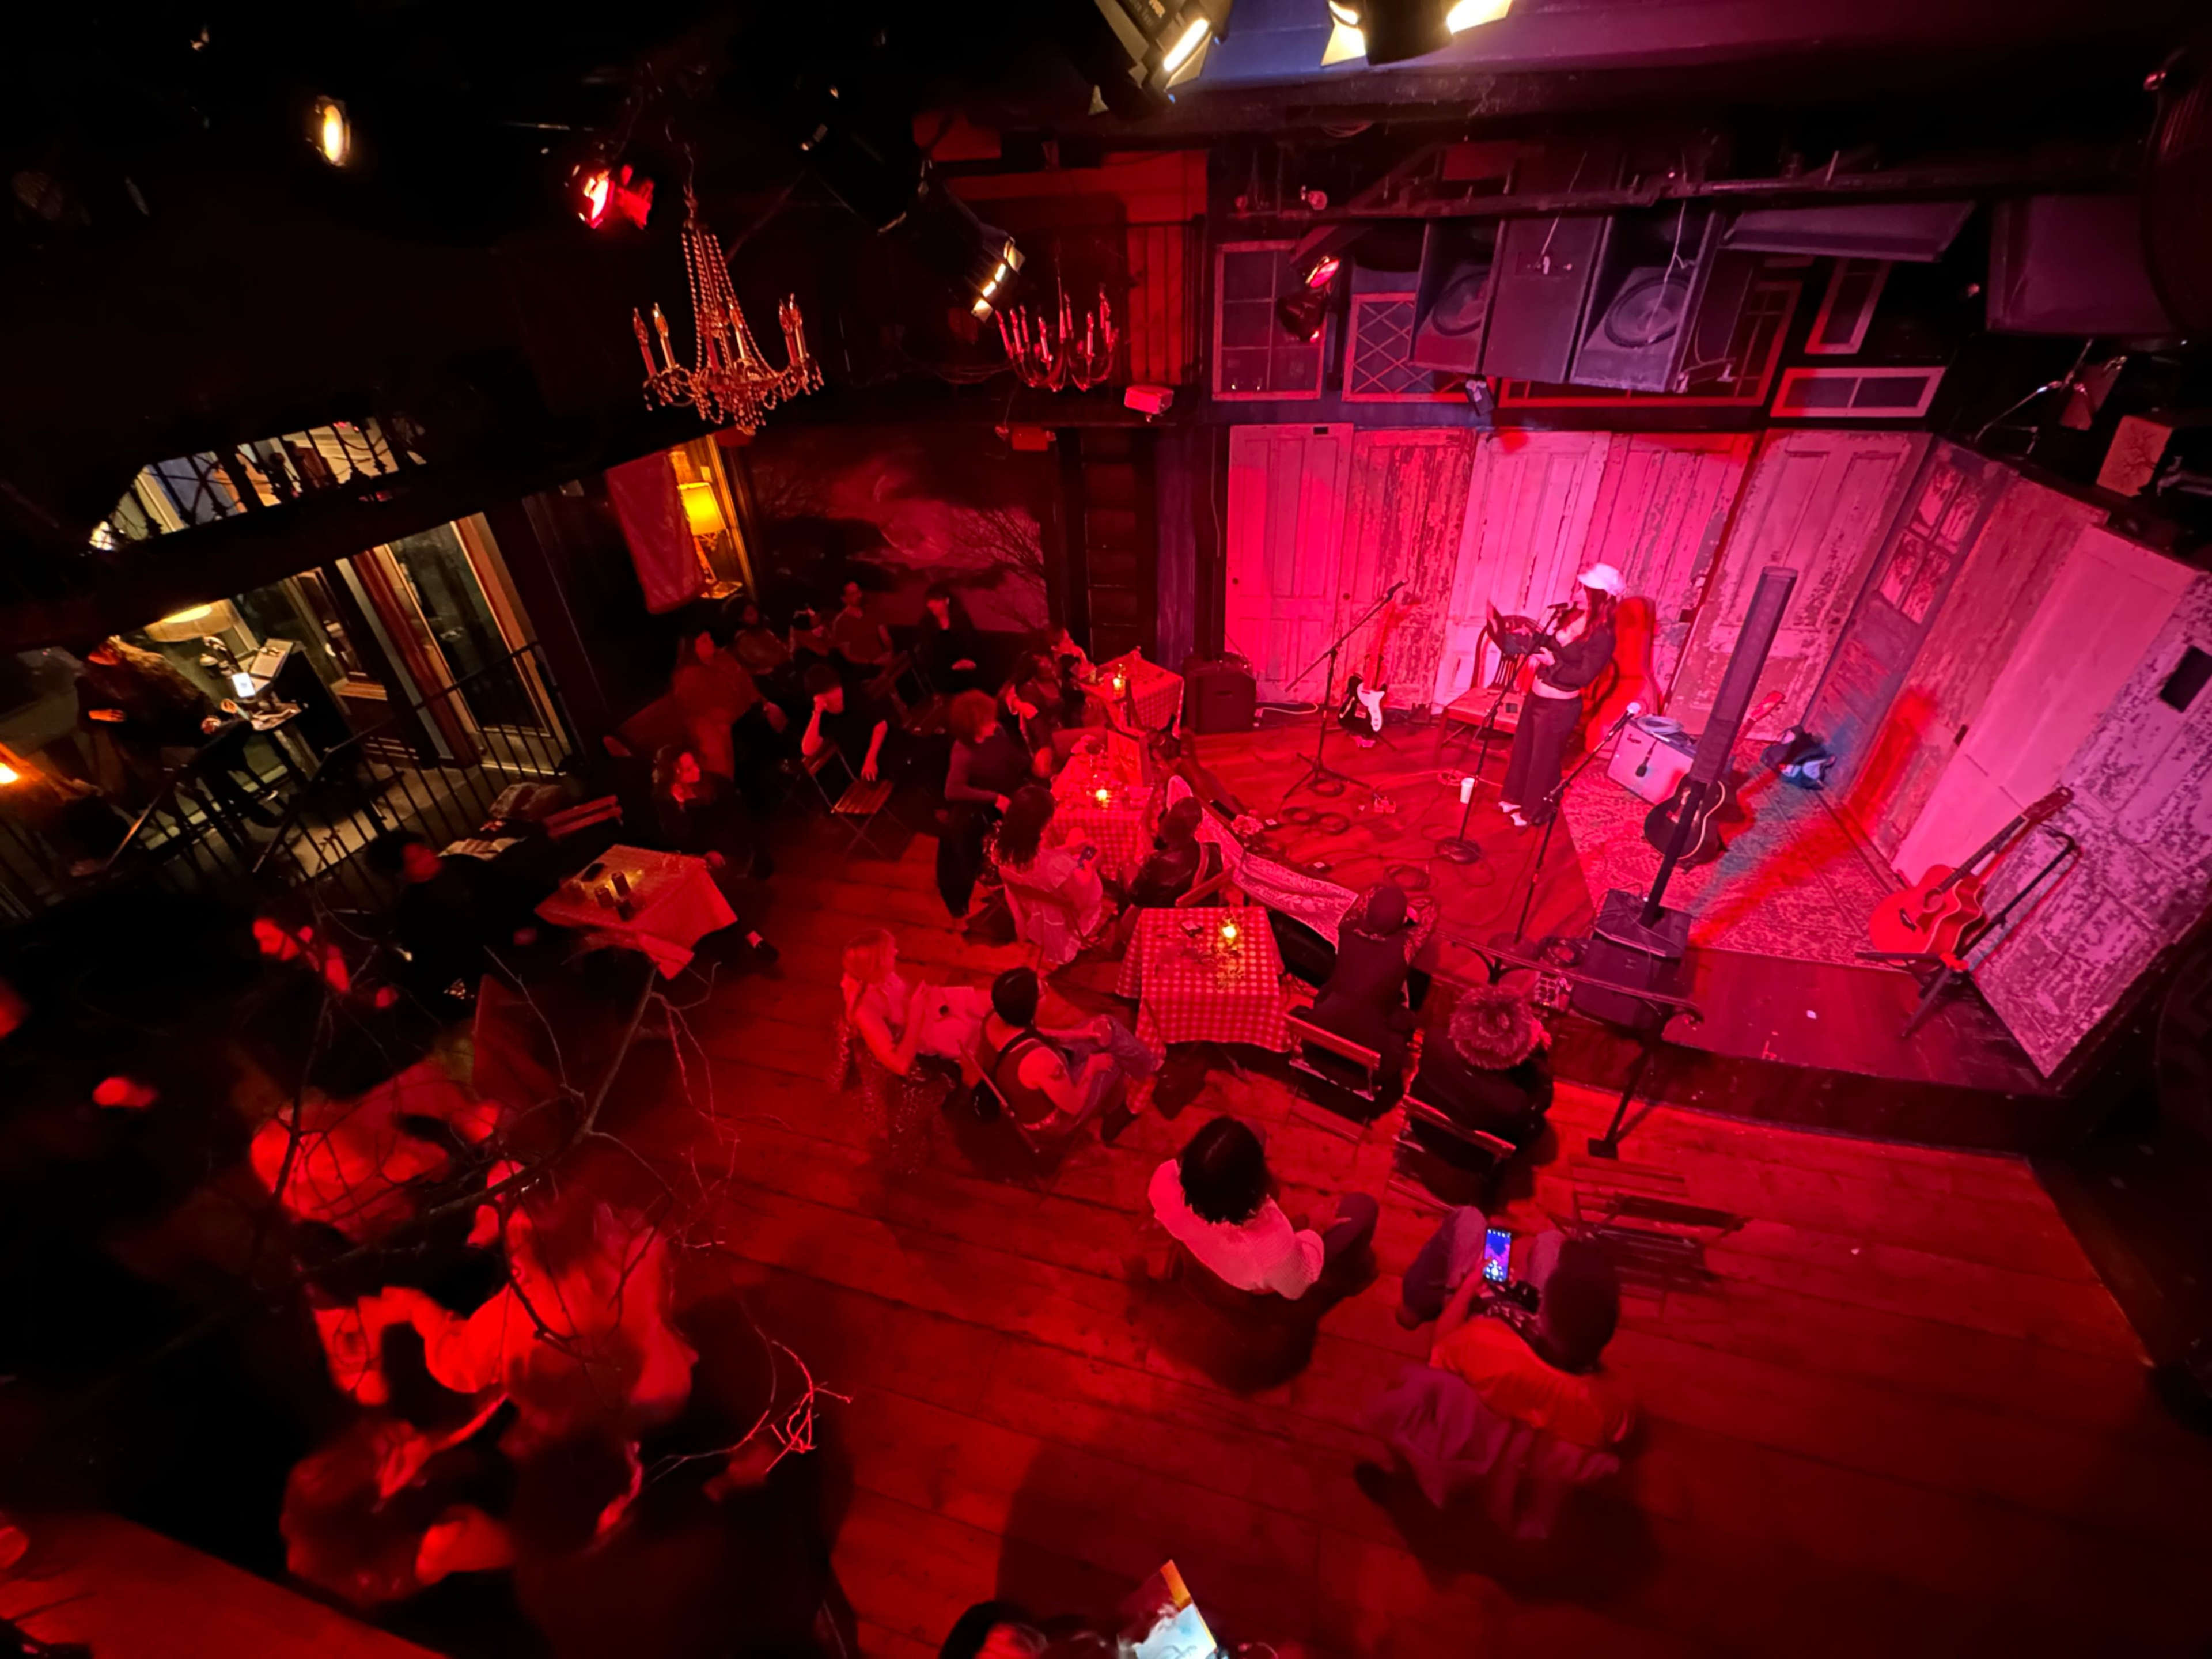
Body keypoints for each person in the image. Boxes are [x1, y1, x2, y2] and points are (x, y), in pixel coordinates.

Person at [1146, 1116, 1377, 1301]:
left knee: (1250, 1128)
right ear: (1254, 1185)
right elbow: (1295, 1287)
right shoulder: (1271, 1242)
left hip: (1207, 1243)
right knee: (1362, 1208)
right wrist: (1316, 1227)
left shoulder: (1164, 1178)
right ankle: (1352, 1271)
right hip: (1252, 1278)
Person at [75, 635, 271, 825]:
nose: (105, 651)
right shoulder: (90, 683)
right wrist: (98, 714)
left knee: (239, 726)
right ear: (89, 659)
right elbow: (83, 722)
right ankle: (250, 808)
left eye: (104, 644)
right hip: (156, 744)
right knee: (207, 764)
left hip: (190, 729)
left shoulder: (151, 662)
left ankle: (207, 762)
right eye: (96, 652)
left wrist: (209, 718)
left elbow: (193, 694)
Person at [834, 929, 989, 1168]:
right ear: (875, 966)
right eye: (889, 953)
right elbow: (900, 1065)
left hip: (914, 1026)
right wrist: (917, 1013)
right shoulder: (864, 1011)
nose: (896, 953)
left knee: (972, 1009)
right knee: (967, 1034)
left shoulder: (880, 978)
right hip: (908, 1060)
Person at [1497, 563, 1622, 828]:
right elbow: (1555, 646)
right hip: (1537, 697)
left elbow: (1583, 675)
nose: (1579, 593)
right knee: (1524, 750)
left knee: (1543, 761)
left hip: (1559, 708)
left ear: (1601, 597)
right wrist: (1533, 637)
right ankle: (1515, 797)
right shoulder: (1575, 619)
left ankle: (1534, 812)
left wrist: (1552, 661)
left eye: (1585, 590)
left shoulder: (1604, 635)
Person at [971, 967, 1149, 1141]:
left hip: (1025, 1083)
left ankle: (1145, 1065)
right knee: (1114, 1058)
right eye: (1042, 992)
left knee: (1103, 1027)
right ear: (1031, 1008)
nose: (1047, 989)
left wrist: (1080, 1034)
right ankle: (1120, 1105)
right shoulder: (1041, 1061)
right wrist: (1092, 1066)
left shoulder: (996, 1016)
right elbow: (1073, 1106)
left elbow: (1032, 1032)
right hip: (1055, 1121)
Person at [367, 831, 538, 1010]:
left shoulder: (460, 864)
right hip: (493, 964)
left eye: (423, 850)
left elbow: (508, 889)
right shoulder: (411, 912)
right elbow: (452, 953)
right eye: (416, 860)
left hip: (523, 929)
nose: (428, 856)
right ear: (400, 875)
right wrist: (509, 937)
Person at [651, 747, 777, 961]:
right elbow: (676, 839)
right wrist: (680, 807)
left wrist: (714, 851)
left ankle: (746, 939)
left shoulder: (715, 787)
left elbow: (736, 827)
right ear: (675, 776)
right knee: (700, 882)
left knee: (711, 882)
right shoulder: (665, 800)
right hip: (697, 857)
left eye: (694, 764)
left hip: (733, 849)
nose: (697, 769)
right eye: (689, 768)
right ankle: (743, 938)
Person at [1406, 982, 1554, 1158]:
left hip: (1424, 1127)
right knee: (1537, 1127)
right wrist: (1539, 1054)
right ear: (1511, 1055)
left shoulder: (1434, 1039)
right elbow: (1543, 1098)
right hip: (1469, 1155)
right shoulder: (1512, 1102)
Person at [1306, 881, 1420, 1103]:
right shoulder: (1405, 948)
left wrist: (1380, 889)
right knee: (1402, 1021)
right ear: (1402, 920)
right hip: (1365, 1074)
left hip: (1317, 1052)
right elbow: (1432, 911)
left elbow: (1361, 899)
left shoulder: (1347, 929)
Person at [992, 785, 1109, 968]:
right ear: (1044, 823)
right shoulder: (1055, 864)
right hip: (1064, 909)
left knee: (1076, 837)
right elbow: (1080, 894)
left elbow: (1038, 857)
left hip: (1030, 902)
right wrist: (1092, 864)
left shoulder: (1000, 848)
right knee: (1084, 848)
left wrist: (1070, 849)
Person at [936, 690, 1031, 918]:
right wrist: (995, 798)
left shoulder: (997, 732)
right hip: (993, 805)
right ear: (972, 728)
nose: (994, 724)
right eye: (987, 722)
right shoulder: (963, 751)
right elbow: (952, 791)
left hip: (1012, 791)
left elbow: (1014, 759)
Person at [800, 661, 892, 783]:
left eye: (837, 688)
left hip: (881, 746)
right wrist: (817, 712)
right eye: (830, 693)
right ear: (819, 698)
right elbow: (808, 750)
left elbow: (881, 725)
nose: (838, 695)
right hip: (862, 765)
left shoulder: (851, 693)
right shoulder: (823, 717)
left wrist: (871, 759)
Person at [1127, 796, 1222, 908]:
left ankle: (1119, 920)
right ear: (1198, 826)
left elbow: (1137, 897)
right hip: (1197, 909)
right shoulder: (1213, 851)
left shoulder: (1157, 861)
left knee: (1126, 865)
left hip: (1161, 912)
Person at [916, 582, 982, 698]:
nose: (931, 605)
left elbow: (971, 643)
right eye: (929, 601)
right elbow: (927, 653)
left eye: (935, 601)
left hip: (962, 668)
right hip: (940, 670)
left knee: (970, 678)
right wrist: (948, 667)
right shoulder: (926, 623)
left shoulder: (961, 619)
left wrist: (966, 660)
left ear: (946, 601)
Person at [827, 578, 893, 679]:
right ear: (844, 599)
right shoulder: (840, 623)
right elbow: (848, 655)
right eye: (853, 594)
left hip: (883, 660)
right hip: (865, 669)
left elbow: (885, 637)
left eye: (858, 592)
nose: (859, 596)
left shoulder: (871, 611)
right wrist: (872, 663)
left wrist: (889, 653)